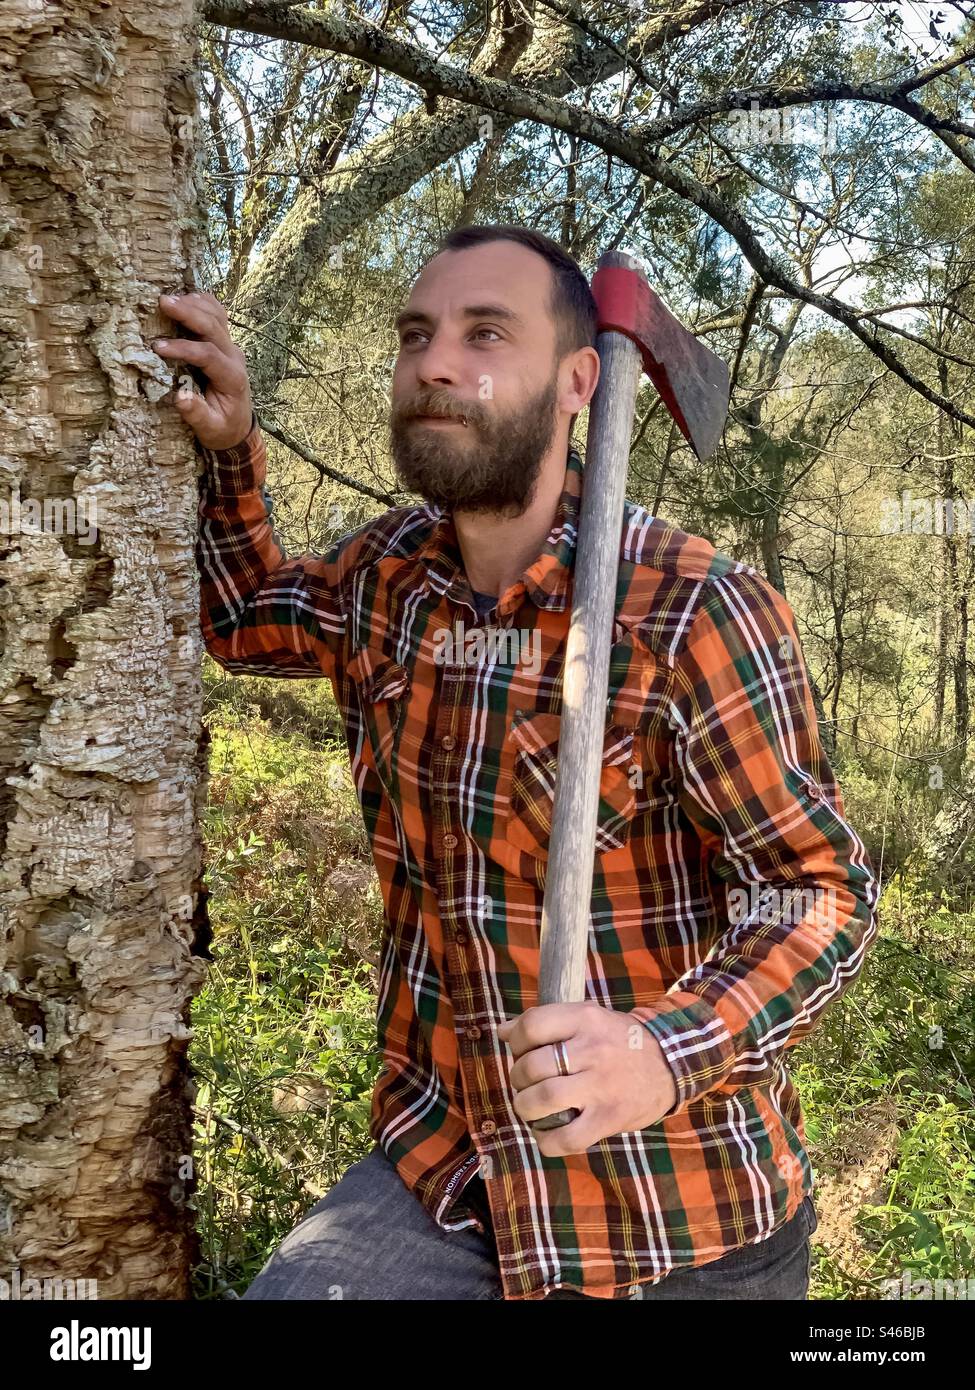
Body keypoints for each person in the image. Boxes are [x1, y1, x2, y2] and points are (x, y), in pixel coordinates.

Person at [155, 224, 878, 1301]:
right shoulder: (387, 582)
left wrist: (661, 1050)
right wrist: (228, 447)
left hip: (672, 1219)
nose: (436, 363)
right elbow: (245, 617)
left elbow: (821, 893)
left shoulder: (692, 609)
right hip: (450, 1173)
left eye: (486, 333)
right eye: (417, 335)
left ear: (581, 378)